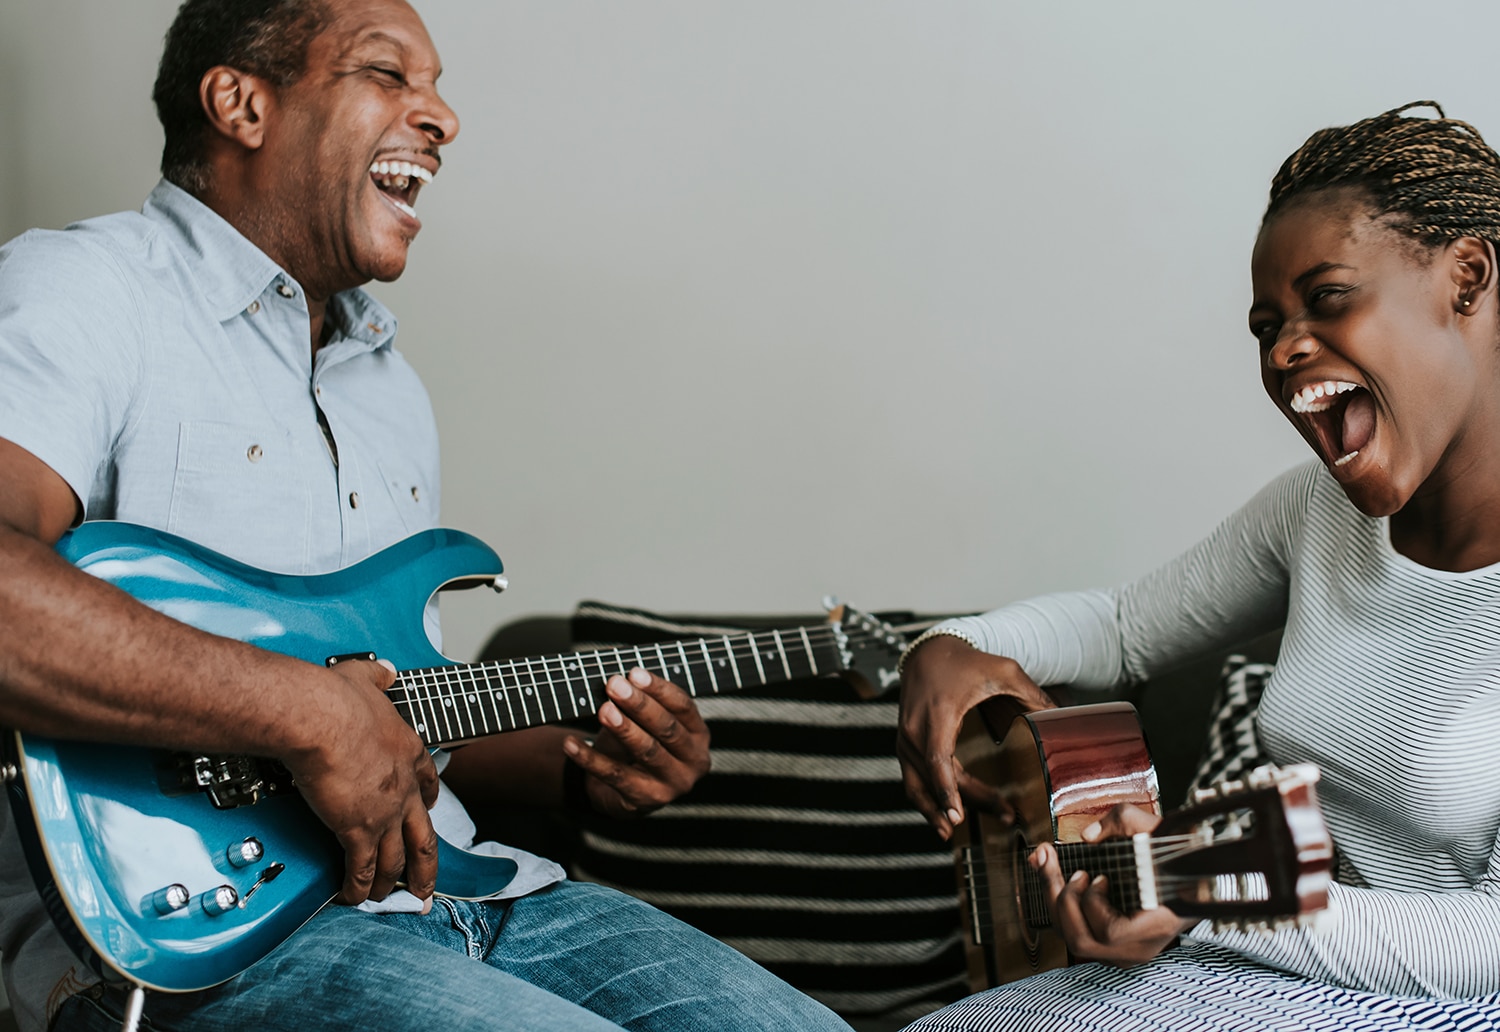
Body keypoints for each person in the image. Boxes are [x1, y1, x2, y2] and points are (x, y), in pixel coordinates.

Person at [0, 2, 853, 1030]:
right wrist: (306, 711)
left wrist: (579, 767)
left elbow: (401, 718)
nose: (440, 115)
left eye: (438, 84)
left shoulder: (390, 390)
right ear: (241, 102)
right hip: (205, 945)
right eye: (388, 74)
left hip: (475, 894)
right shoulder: (83, 289)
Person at [894, 101, 1500, 1031]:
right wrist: (951, 645)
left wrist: (1193, 887)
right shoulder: (1317, 512)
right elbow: (1128, 627)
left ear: (1468, 277)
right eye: (1267, 325)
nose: (1287, 348)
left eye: (1328, 296)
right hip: (1284, 970)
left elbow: (1486, 944)